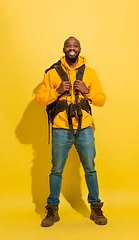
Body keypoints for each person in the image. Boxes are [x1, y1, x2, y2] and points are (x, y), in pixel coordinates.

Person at [35, 36, 107, 227]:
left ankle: (95, 208)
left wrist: (87, 91)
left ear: (80, 49)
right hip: (60, 129)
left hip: (84, 129)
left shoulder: (90, 73)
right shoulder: (52, 73)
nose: (72, 48)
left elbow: (101, 100)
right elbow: (39, 99)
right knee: (56, 170)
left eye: (75, 46)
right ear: (64, 49)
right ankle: (52, 209)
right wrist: (56, 91)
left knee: (90, 169)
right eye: (68, 45)